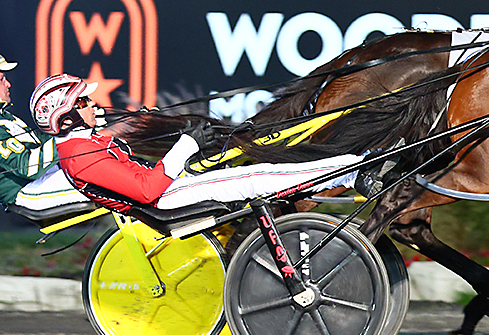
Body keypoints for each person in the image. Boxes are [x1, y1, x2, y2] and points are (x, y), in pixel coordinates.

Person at [30, 74, 366, 213]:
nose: (93, 105)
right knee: (259, 178)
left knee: (262, 172)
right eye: (84, 103)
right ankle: (353, 170)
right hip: (167, 200)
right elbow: (147, 190)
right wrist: (187, 144)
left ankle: (350, 170)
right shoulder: (82, 155)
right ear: (67, 116)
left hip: (175, 188)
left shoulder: (84, 145)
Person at [0, 55, 89, 210]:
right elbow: (28, 167)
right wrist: (70, 132)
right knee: (104, 182)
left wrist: (71, 125)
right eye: (1, 79)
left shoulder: (6, 117)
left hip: (44, 180)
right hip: (25, 192)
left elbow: (40, 143)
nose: (8, 84)